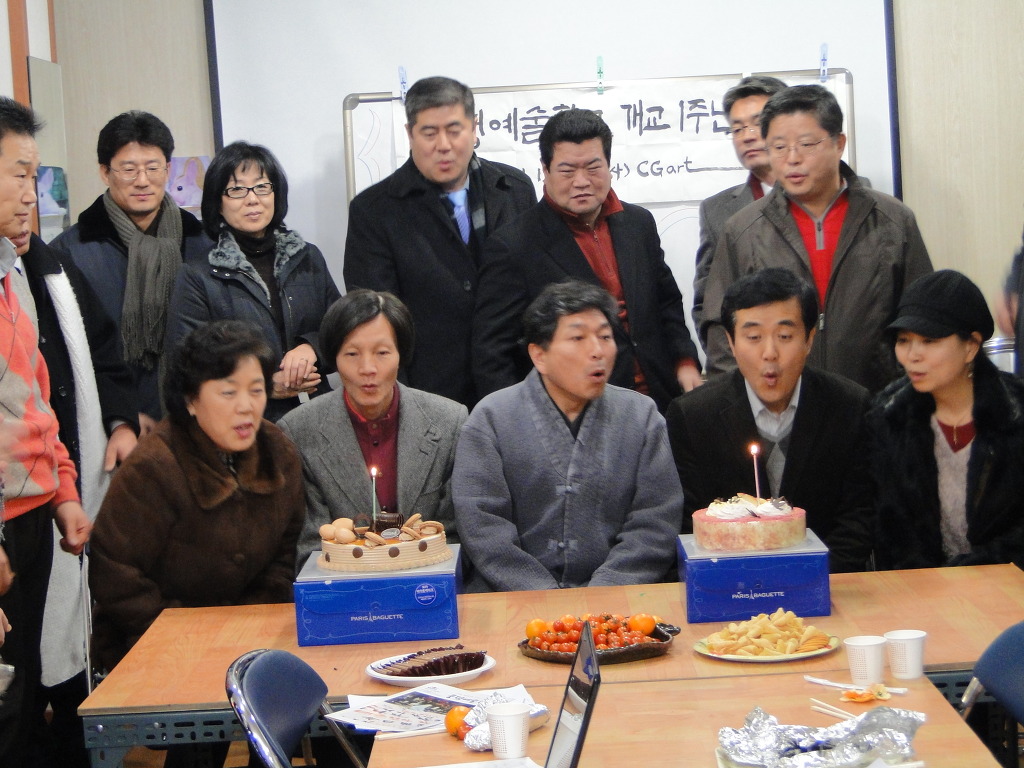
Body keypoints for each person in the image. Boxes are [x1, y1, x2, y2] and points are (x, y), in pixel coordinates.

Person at [89, 320, 304, 673]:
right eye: (228, 393)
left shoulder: (278, 451)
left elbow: (285, 555)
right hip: (153, 648)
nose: (246, 406)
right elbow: (115, 572)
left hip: (250, 643)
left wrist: (248, 627)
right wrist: (190, 636)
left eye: (256, 390)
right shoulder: (154, 466)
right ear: (191, 399)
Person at [453, 280, 683, 592]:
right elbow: (482, 523)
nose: (597, 351)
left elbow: (656, 519)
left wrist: (606, 590)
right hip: (513, 598)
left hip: (619, 599)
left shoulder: (641, 416)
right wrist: (541, 594)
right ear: (539, 355)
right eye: (578, 338)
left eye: (605, 336)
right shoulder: (491, 417)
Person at [701, 85, 933, 393]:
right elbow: (720, 330)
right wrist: (742, 405)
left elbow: (922, 318)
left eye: (806, 144)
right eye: (779, 147)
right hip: (779, 404)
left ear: (839, 144)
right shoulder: (742, 229)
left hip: (877, 402)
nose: (792, 159)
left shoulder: (892, 220)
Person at [472, 108, 702, 413]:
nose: (581, 182)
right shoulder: (513, 245)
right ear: (545, 170)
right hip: (572, 411)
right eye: (567, 171)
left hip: (659, 399)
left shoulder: (638, 223)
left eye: (593, 168)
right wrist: (519, 420)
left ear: (609, 165)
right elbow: (492, 352)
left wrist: (685, 361)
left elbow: (666, 303)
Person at [344, 76, 536, 407]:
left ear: (474, 127)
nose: (443, 145)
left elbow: (535, 289)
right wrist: (404, 405)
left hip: (515, 385)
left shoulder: (515, 189)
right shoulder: (374, 210)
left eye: (454, 130)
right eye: (429, 133)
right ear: (410, 134)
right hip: (430, 394)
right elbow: (376, 321)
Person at [22, 229, 139, 766]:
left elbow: (106, 355)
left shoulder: (57, 269)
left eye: (27, 187)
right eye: (11, 186)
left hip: (70, 475)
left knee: (75, 629)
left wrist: (120, 422)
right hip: (21, 492)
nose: (23, 199)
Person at [666, 268, 872, 572]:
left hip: (827, 580)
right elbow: (689, 526)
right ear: (731, 342)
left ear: (809, 339)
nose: (770, 353)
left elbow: (858, 520)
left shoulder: (850, 406)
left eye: (785, 336)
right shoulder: (693, 416)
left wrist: (807, 580)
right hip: (728, 582)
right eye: (753, 337)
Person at [0, 96, 91, 767]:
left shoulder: (12, 274)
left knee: (27, 697)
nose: (32, 194)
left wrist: (64, 493)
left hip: (31, 517)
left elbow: (34, 399)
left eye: (34, 177)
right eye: (18, 175)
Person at [279, 290, 467, 570]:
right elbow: (311, 548)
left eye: (382, 353)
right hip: (343, 587)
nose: (368, 368)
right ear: (334, 358)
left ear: (401, 354)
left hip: (428, 583)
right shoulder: (298, 431)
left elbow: (453, 537)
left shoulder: (449, 421)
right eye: (352, 354)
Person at [50, 111, 213, 431]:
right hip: (114, 430)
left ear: (168, 169)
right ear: (105, 172)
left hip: (198, 424)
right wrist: (119, 416)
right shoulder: (68, 253)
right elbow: (66, 357)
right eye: (128, 169)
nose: (142, 180)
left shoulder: (202, 243)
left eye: (153, 167)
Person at [165, 141, 341, 422]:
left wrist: (311, 348)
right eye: (237, 190)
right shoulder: (198, 275)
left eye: (262, 187)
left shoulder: (308, 257)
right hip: (244, 423)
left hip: (318, 417)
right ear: (217, 203)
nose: (252, 199)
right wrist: (263, 386)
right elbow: (187, 366)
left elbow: (341, 330)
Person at [870, 270, 1024, 570]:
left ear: (971, 346)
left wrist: (971, 572)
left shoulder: (1015, 412)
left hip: (1009, 583)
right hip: (918, 587)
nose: (913, 355)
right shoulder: (887, 417)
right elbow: (890, 533)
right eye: (903, 340)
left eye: (929, 340)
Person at [692, 75, 787, 333]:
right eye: (737, 129)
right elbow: (708, 306)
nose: (747, 136)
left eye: (758, 123)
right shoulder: (717, 211)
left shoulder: (835, 194)